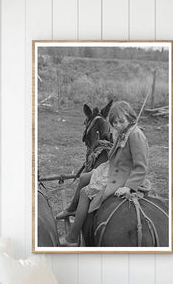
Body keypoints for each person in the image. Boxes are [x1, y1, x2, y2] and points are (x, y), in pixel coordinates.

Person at [58, 100, 149, 246]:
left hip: (123, 176)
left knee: (85, 193)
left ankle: (72, 238)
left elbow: (141, 167)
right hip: (112, 168)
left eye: (121, 121)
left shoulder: (136, 135)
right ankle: (71, 209)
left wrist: (129, 186)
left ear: (130, 117)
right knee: (84, 177)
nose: (118, 125)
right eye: (114, 123)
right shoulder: (125, 131)